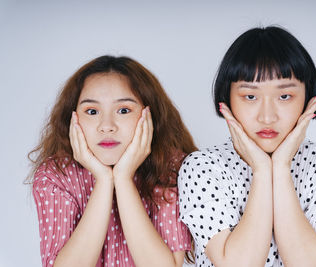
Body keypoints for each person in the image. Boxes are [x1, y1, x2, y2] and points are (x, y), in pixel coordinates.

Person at [178, 26, 316, 267]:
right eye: (250, 96)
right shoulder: (202, 168)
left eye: (284, 96)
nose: (267, 117)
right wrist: (262, 171)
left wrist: (281, 166)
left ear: (309, 98)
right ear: (226, 100)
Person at [28, 55, 196, 267]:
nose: (106, 126)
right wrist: (104, 180)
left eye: (123, 110)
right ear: (73, 118)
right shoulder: (56, 175)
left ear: (149, 116)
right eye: (92, 111)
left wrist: (123, 178)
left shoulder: (172, 168)